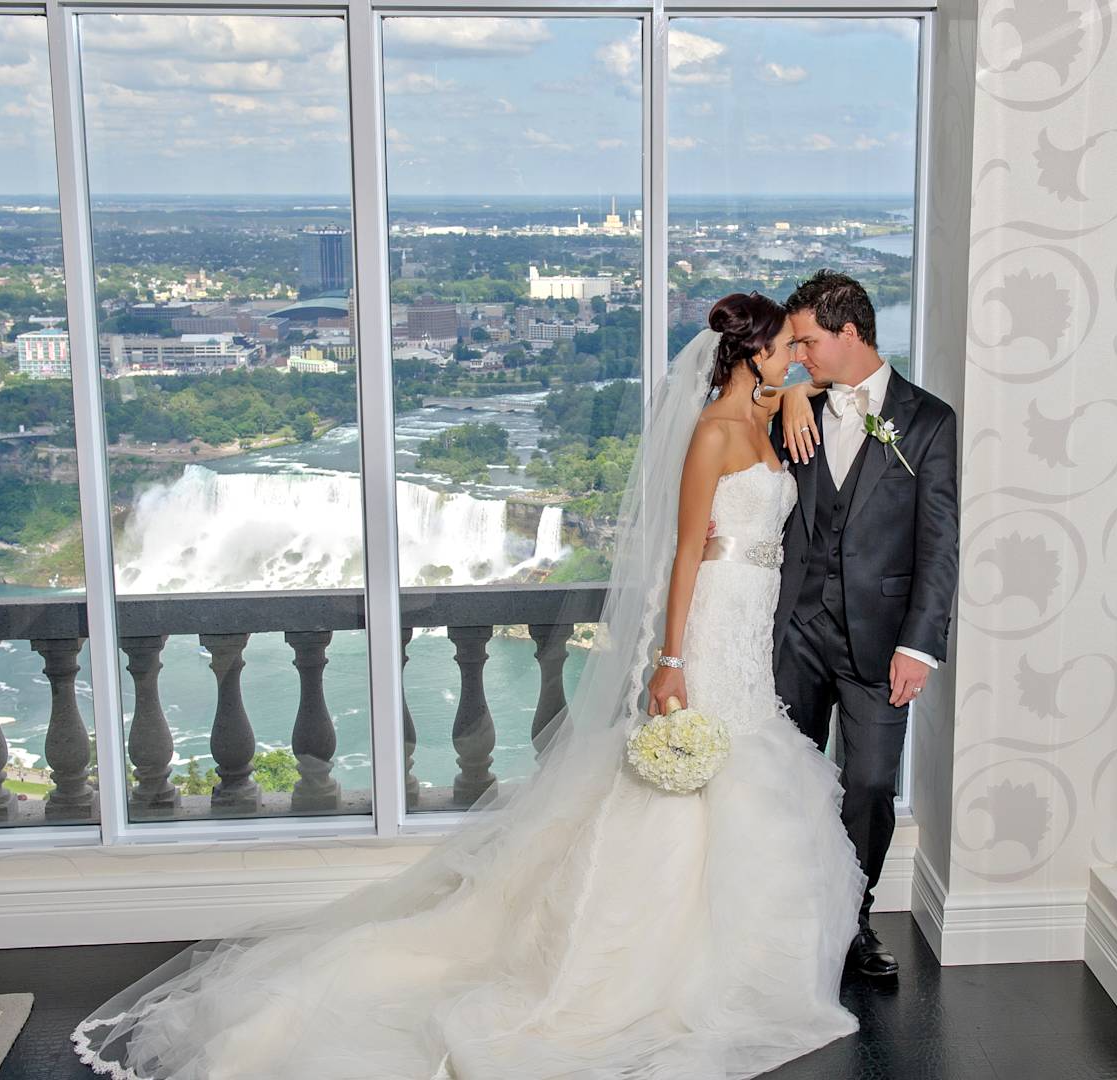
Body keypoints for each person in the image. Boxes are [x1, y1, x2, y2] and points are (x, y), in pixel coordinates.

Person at [70, 293, 865, 1080]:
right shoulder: (715, 434)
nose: (798, 355)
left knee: (745, 772)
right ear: (752, 352)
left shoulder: (767, 411)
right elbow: (686, 553)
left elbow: (843, 382)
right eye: (787, 347)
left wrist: (797, 387)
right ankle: (656, 962)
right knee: (683, 793)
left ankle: (732, 957)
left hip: (751, 619)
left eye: (802, 348)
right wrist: (669, 660)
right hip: (712, 617)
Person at [772, 270, 961, 983]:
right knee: (783, 780)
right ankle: (787, 911)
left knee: (873, 784)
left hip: (882, 643)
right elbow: (725, 413)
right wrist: (790, 390)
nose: (799, 355)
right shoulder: (792, 404)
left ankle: (852, 918)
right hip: (793, 633)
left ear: (850, 333)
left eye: (808, 343)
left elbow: (939, 542)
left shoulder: (929, 421)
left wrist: (920, 644)